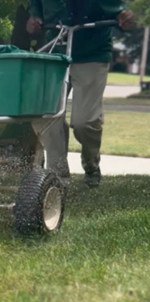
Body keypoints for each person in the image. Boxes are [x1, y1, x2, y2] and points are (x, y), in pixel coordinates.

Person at [26, 0, 134, 187]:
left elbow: (120, 13)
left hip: (93, 52)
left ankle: (91, 166)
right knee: (47, 116)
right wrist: (34, 19)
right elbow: (35, 7)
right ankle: (57, 177)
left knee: (85, 122)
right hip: (56, 52)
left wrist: (124, 18)